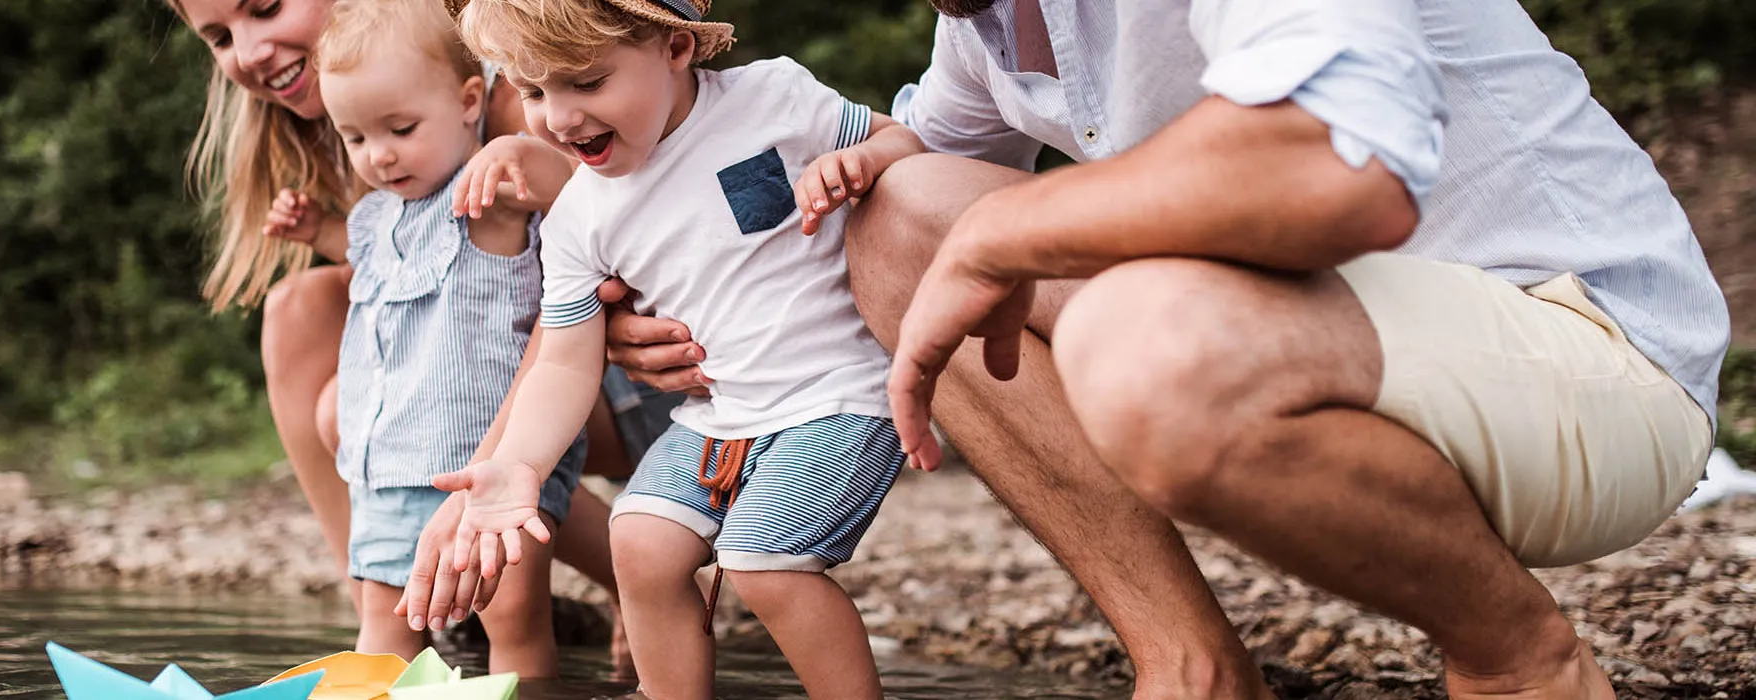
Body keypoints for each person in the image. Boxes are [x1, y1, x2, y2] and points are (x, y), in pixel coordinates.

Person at [607, 1, 1733, 698]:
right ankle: (1191, 668)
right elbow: (891, 206)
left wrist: (1010, 227)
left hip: (1590, 361)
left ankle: (1521, 664)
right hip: (1372, 349)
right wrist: (678, 304)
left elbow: (1337, 168)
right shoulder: (988, 27)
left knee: (1142, 342)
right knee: (895, 219)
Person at [408, 0, 927, 697]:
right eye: (534, 92)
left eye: (586, 83)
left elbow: (905, 142)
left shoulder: (771, 98)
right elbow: (564, 361)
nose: (559, 118)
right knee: (640, 542)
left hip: (837, 391)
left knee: (763, 562)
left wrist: (865, 159)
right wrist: (520, 463)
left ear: (676, 49)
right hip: (720, 415)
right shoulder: (579, 218)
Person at [165, 0, 660, 675]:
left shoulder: (518, 97)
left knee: (512, 605)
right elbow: (394, 260)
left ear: (464, 102)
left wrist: (493, 473)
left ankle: (628, 581)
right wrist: (320, 231)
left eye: (267, 7)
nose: (249, 51)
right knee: (306, 322)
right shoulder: (370, 144)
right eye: (221, 37)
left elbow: (589, 240)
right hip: (436, 430)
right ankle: (400, 606)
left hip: (614, 375)